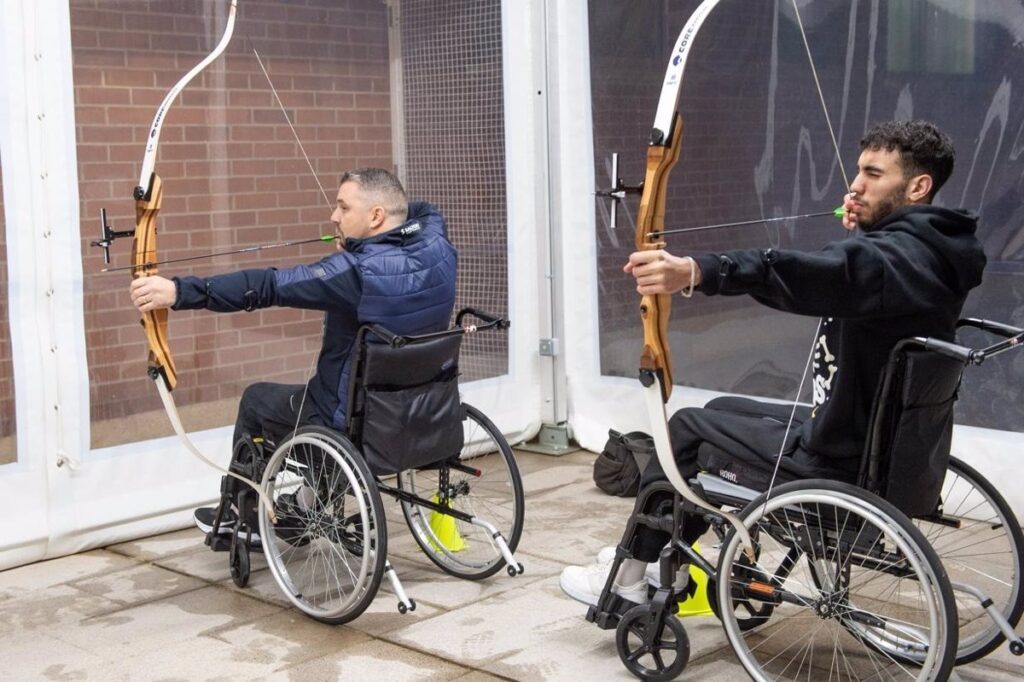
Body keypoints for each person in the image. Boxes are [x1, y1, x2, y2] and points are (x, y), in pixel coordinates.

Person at [560, 119, 987, 606]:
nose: (855, 185)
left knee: (687, 429)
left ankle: (631, 576)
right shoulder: (933, 251)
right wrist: (871, 232)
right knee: (722, 407)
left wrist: (698, 271)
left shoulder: (893, 260)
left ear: (917, 186)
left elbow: (812, 272)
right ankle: (667, 562)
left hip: (840, 459)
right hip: (877, 442)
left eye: (873, 174)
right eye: (858, 171)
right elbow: (861, 271)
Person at [129, 167, 458, 537]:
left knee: (256, 401)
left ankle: (243, 519)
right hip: (423, 418)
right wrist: (363, 239)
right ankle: (309, 504)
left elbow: (267, 286)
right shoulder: (435, 240)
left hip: (353, 428)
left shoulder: (354, 274)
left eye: (343, 208)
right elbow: (420, 211)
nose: (333, 217)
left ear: (376, 216)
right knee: (338, 402)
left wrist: (177, 292)